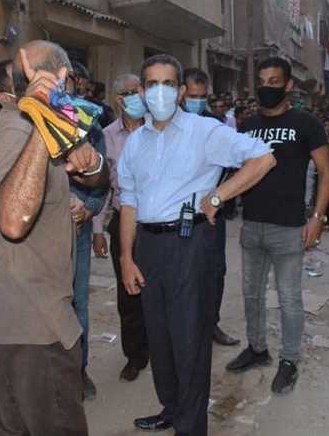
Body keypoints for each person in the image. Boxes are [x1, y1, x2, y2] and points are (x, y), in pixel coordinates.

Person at [118, 54, 275, 435]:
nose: (159, 92)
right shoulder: (135, 142)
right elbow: (128, 201)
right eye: (151, 84)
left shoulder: (205, 131)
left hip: (190, 245)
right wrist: (126, 257)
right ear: (141, 91)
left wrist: (219, 196)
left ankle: (191, 427)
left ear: (182, 91)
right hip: (149, 248)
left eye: (168, 84)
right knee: (160, 337)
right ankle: (171, 408)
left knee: (189, 340)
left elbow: (263, 159)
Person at [0, 40, 106, 436]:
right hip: (31, 319)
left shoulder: (42, 124)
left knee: (15, 425)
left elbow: (94, 178)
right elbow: (13, 220)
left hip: (15, 314)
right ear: (62, 78)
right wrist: (43, 124)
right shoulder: (17, 130)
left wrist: (92, 164)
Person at [226, 57, 329, 396]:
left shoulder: (306, 123)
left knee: (288, 298)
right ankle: (257, 348)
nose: (267, 87)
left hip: (288, 227)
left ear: (288, 85)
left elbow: (327, 174)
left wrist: (316, 218)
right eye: (262, 81)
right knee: (252, 293)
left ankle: (289, 360)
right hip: (252, 224)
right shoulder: (247, 124)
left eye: (274, 81)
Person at [92, 73, 149, 382]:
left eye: (137, 91)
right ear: (118, 99)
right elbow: (101, 187)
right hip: (122, 225)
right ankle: (135, 355)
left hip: (156, 225)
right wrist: (99, 229)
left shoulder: (159, 129)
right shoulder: (106, 136)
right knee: (129, 295)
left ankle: (160, 346)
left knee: (159, 290)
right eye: (127, 93)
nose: (134, 97)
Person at [182, 67, 240, 346]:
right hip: (178, 214)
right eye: (193, 96)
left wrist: (218, 199)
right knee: (182, 271)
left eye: (202, 97)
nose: (197, 102)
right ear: (182, 94)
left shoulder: (216, 125)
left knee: (215, 271)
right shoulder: (167, 123)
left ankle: (211, 325)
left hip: (211, 214)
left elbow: (232, 168)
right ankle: (186, 327)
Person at [67, 72, 108, 400]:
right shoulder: (24, 124)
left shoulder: (89, 125)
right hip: (32, 237)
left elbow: (102, 177)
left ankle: (77, 371)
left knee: (77, 303)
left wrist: (90, 208)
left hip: (76, 232)